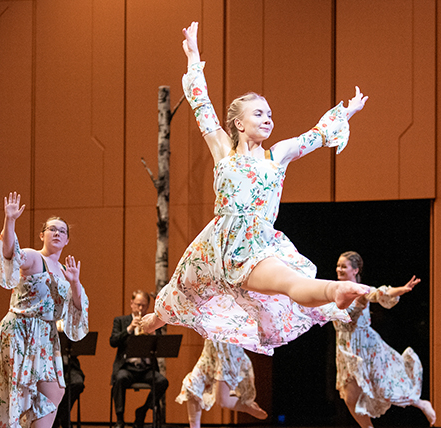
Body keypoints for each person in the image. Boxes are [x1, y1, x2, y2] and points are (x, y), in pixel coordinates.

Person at [141, 21, 370, 355]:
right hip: (215, 245)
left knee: (291, 284)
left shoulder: (275, 156)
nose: (268, 119)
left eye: (270, 114)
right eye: (259, 113)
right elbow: (201, 104)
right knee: (180, 290)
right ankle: (154, 320)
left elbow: (314, 135)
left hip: (256, 244)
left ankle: (334, 291)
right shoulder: (222, 148)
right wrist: (193, 55)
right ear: (238, 123)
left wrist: (346, 112)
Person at [0, 192, 89, 428]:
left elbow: (78, 310)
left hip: (45, 335)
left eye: (62, 231)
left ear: (67, 240)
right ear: (42, 235)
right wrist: (9, 220)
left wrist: (74, 283)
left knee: (55, 392)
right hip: (19, 331)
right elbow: (10, 255)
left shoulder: (66, 270)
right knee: (16, 396)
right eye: (52, 229)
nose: (57, 233)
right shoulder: (33, 257)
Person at [333, 251, 436, 427]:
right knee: (350, 398)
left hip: (366, 346)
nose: (339, 269)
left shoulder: (362, 290)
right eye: (338, 266)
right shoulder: (332, 289)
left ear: (355, 270)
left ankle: (420, 403)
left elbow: (381, 293)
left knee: (384, 388)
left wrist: (401, 290)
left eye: (344, 266)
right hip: (345, 347)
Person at [176, 339, 267, 428]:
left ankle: (245, 406)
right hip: (210, 350)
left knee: (222, 401)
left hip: (227, 351)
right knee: (193, 386)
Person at [111, 290, 169, 428]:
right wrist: (130, 328)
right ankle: (120, 420)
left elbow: (161, 345)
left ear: (148, 306)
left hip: (146, 369)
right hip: (127, 368)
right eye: (138, 305)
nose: (141, 309)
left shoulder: (154, 322)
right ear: (132, 304)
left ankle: (142, 411)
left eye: (144, 305)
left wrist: (154, 332)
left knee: (162, 382)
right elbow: (113, 341)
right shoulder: (121, 321)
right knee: (119, 379)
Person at [52, 319, 85, 428]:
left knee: (78, 383)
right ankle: (61, 418)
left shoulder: (70, 316)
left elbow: (81, 342)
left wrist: (69, 331)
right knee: (53, 387)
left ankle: (61, 414)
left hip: (69, 365)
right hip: (51, 367)